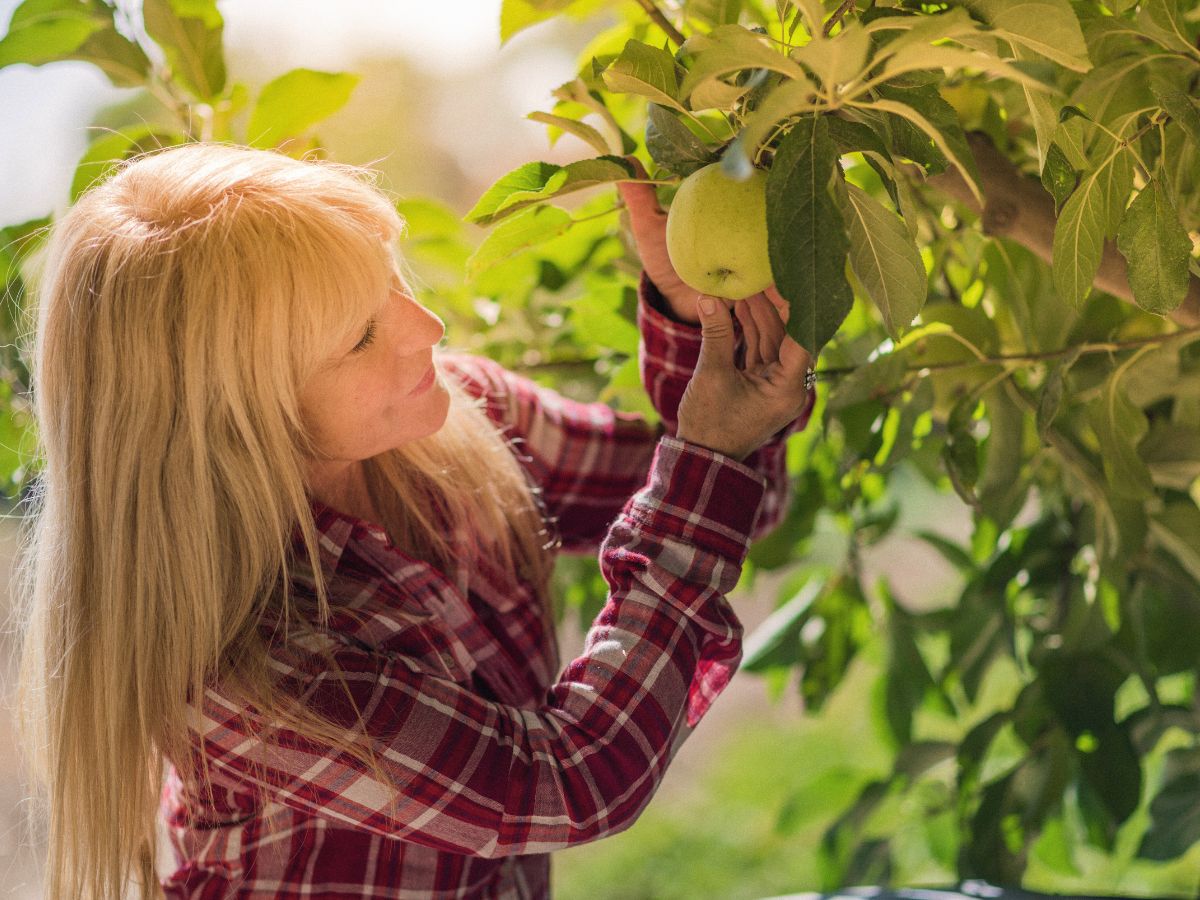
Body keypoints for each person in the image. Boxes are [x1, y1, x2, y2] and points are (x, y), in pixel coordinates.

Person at [11, 141, 816, 899]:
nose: (425, 328)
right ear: (233, 418)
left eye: (387, 282)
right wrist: (709, 453)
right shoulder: (243, 666)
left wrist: (696, 324)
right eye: (361, 336)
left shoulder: (463, 422)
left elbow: (728, 496)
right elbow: (570, 781)